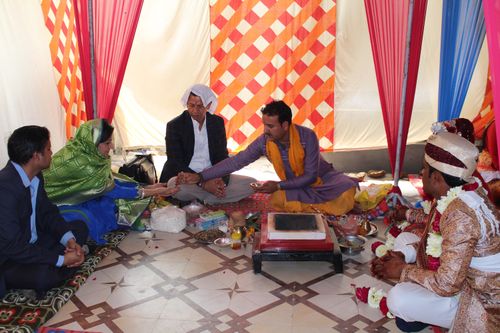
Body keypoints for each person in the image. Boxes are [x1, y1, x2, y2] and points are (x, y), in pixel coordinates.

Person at [372, 131, 500, 332]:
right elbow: (438, 242)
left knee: (399, 298)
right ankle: (426, 311)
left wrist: (403, 270)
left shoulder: (460, 214)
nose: (421, 173)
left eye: (424, 169)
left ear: (437, 178)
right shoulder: (461, 193)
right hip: (462, 275)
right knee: (406, 239)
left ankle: (430, 313)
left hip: (482, 300)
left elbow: (447, 284)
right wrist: (402, 255)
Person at [178, 100, 358, 215]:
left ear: (285, 125)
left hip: (324, 181)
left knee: (345, 193)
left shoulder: (307, 137)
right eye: (264, 125)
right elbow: (237, 161)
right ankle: (315, 208)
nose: (265, 130)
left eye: (271, 126)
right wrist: (202, 176)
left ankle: (318, 206)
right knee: (278, 199)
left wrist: (278, 185)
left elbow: (311, 176)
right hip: (295, 186)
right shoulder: (265, 141)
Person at [43, 119, 178, 244]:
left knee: (111, 201)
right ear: (93, 142)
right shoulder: (84, 164)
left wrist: (149, 186)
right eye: (107, 143)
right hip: (56, 204)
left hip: (77, 196)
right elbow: (112, 190)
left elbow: (111, 181)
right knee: (94, 213)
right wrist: (155, 191)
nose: (112, 146)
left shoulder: (88, 153)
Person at [0, 126, 88, 298]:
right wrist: (62, 259)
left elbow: (48, 213)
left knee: (79, 227)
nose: (51, 152)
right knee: (44, 277)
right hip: (10, 256)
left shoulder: (36, 176)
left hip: (35, 242)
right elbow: (13, 246)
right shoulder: (5, 189)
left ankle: (68, 257)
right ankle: (66, 262)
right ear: (36, 155)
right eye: (48, 148)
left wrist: (69, 241)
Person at [159, 84, 255, 204]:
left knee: (251, 184)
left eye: (199, 106)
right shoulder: (175, 125)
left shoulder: (216, 123)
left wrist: (219, 179)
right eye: (191, 105)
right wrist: (202, 183)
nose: (194, 110)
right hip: (187, 177)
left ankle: (205, 197)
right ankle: (213, 196)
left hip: (212, 175)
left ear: (208, 105)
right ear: (186, 103)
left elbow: (222, 156)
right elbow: (175, 161)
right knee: (175, 185)